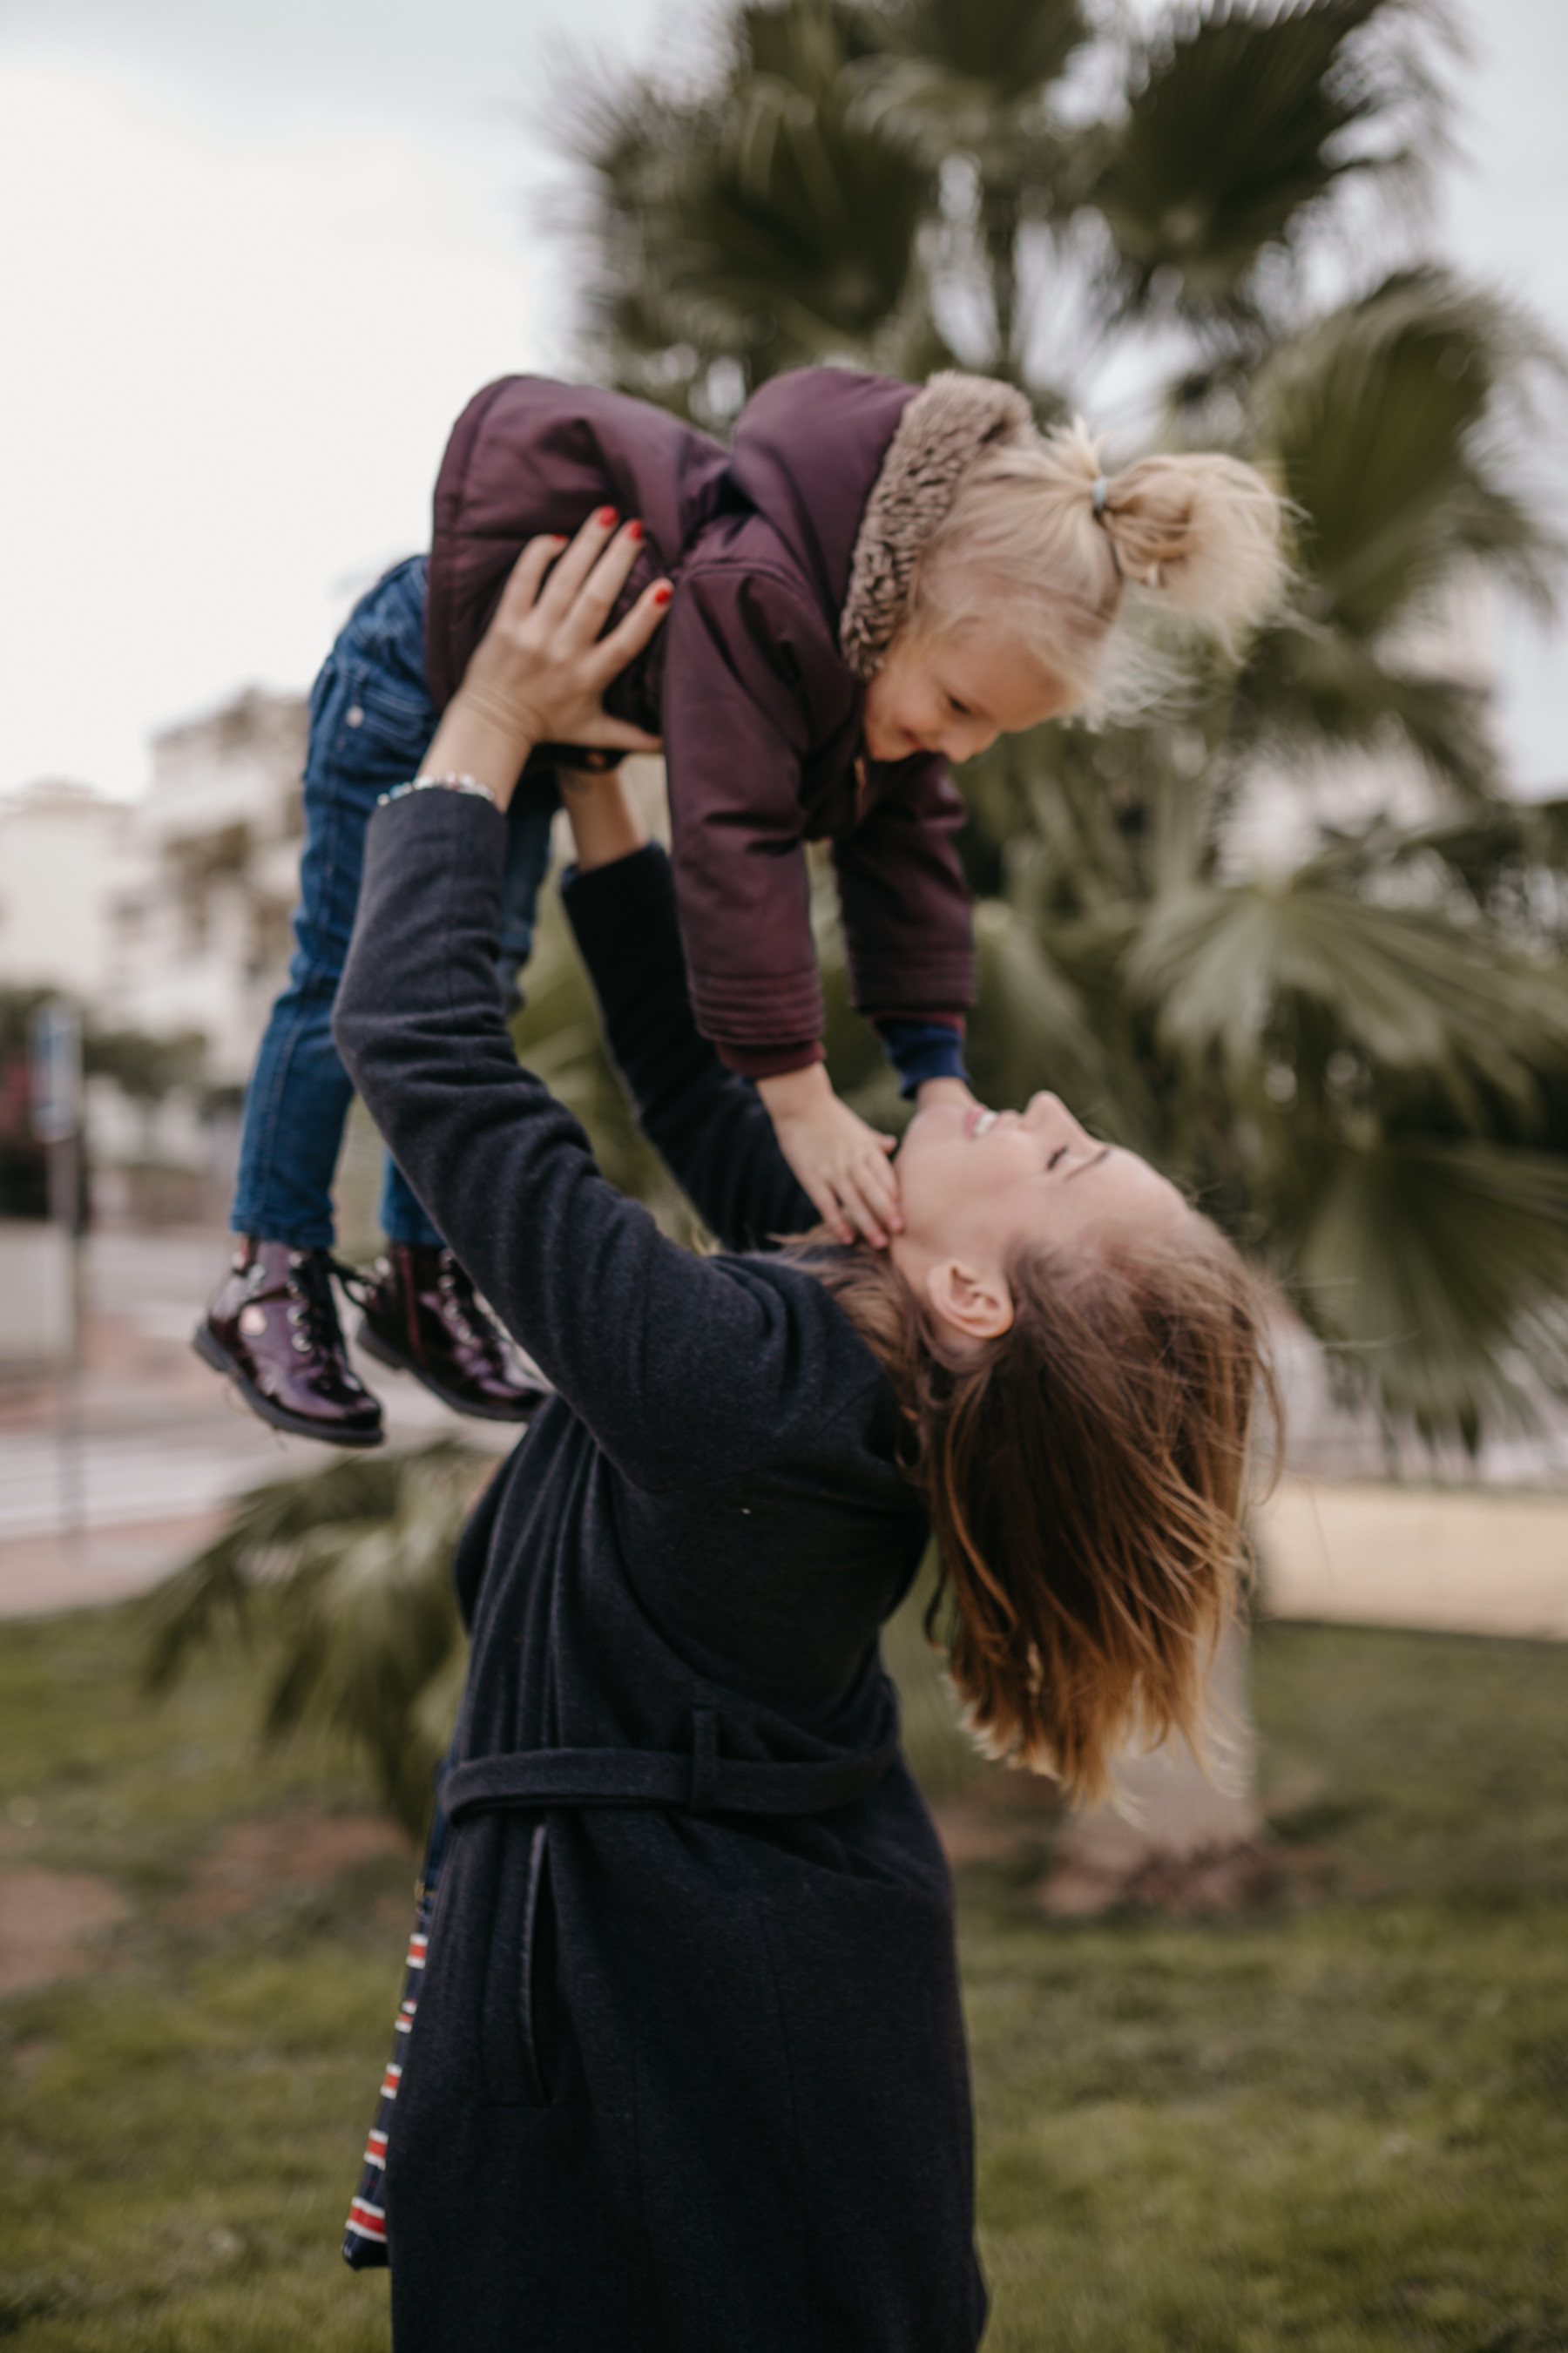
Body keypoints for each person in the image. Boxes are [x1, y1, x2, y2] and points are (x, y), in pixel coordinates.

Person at [329, 522, 1278, 2350]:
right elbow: (695, 1084)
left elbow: (422, 1048)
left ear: (979, 1296)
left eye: (1064, 1161)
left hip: (664, 2002)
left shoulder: (744, 1392)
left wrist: (491, 729)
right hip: (742, 1959)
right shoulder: (859, 1315)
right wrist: (606, 793)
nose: (1051, 1103)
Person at [197, 364, 1282, 1444]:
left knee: (481, 974)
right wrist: (800, 1096)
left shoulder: (878, 676)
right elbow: (734, 843)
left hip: (523, 716)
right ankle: (269, 1272)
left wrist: (936, 1072)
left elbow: (909, 861)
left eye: (991, 730)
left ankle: (418, 1278)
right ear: (894, 603)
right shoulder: (764, 600)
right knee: (347, 973)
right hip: (417, 667)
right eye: (958, 706)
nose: (960, 745)